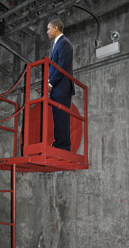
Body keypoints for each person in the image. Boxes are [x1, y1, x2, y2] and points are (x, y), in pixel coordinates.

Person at [47, 19, 75, 151]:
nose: (47, 32)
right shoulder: (58, 44)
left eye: (49, 28)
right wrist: (49, 83)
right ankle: (59, 143)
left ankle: (63, 145)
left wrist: (51, 83)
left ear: (56, 28)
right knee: (58, 117)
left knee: (62, 117)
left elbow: (62, 66)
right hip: (58, 87)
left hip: (62, 87)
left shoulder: (64, 43)